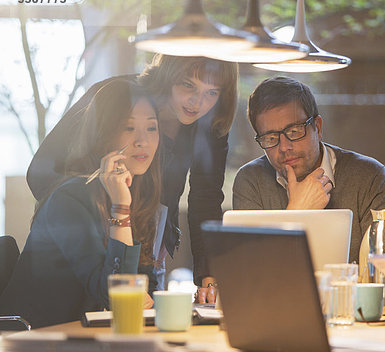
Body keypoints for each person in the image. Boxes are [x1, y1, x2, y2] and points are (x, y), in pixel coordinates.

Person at [26, 54, 238, 302]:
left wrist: (209, 277)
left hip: (145, 233)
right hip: (93, 231)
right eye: (188, 85)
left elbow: (206, 198)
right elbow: (41, 172)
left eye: (212, 93)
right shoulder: (117, 99)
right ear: (169, 75)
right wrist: (96, 222)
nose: (197, 102)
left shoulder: (210, 123)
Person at [0, 79, 161, 328]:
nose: (143, 140)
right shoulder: (69, 199)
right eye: (129, 128)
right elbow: (116, 295)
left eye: (152, 128)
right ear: (103, 134)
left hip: (86, 336)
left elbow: (144, 285)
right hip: (34, 339)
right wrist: (121, 208)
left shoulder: (133, 193)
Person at [232, 76, 385, 264]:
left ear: (318, 128)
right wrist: (297, 212)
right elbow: (252, 276)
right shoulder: (251, 181)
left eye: (294, 131)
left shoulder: (369, 177)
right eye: (271, 138)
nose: (284, 147)